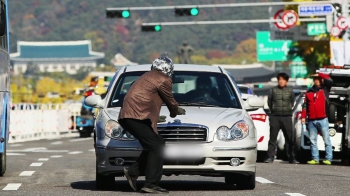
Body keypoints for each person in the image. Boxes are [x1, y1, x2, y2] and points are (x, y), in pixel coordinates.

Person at [118, 56, 186, 194]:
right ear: (169, 69)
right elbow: (170, 99)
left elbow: (146, 98)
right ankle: (151, 184)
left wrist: (152, 116)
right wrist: (174, 111)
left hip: (131, 116)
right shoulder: (163, 79)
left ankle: (133, 171)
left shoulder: (147, 76)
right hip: (135, 116)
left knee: (156, 143)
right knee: (157, 146)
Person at [265, 72, 298, 164]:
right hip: (275, 117)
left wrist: (288, 111)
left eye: (283, 79)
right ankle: (270, 157)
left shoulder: (290, 91)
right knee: (272, 138)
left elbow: (292, 102)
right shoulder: (273, 90)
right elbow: (269, 103)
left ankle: (291, 157)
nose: (281, 81)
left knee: (289, 138)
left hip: (287, 117)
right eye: (279, 79)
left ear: (286, 81)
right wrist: (274, 111)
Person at [301, 72, 333, 165]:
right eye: (315, 79)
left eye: (318, 79)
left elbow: (329, 80)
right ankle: (315, 158)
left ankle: (328, 159)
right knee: (312, 141)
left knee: (326, 140)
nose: (316, 81)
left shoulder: (325, 89)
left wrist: (320, 74)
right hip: (311, 120)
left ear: (321, 80)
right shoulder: (309, 92)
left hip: (323, 119)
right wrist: (303, 117)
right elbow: (305, 106)